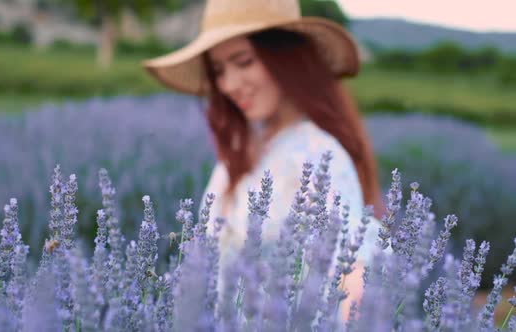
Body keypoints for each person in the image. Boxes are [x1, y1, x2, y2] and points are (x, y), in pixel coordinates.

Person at [142, 0, 385, 323]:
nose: (229, 84)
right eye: (219, 70)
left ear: (284, 57)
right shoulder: (242, 150)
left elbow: (352, 279)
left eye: (243, 62)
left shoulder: (317, 157)